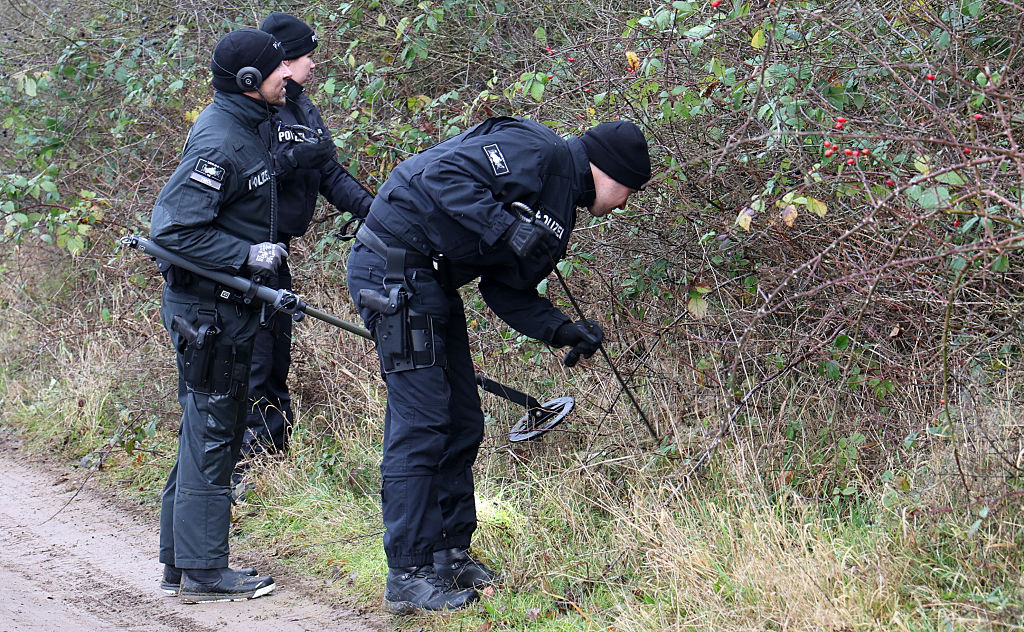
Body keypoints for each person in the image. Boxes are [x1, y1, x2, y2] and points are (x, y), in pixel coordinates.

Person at [345, 117, 651, 614]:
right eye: (629, 190)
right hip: (391, 266)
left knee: (462, 419)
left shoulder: (560, 211)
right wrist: (506, 227)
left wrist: (562, 329)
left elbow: (505, 290)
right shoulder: (536, 149)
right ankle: (409, 573)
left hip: (431, 284)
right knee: (422, 420)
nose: (624, 204)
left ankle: (448, 555)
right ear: (608, 170)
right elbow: (441, 176)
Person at [149, 28, 293, 603]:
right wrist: (246, 254)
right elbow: (172, 230)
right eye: (280, 68)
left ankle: (179, 563)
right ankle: (206, 572)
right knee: (214, 434)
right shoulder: (221, 141)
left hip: (223, 310)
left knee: (203, 430)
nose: (290, 75)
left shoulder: (245, 126)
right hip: (210, 314)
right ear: (250, 80)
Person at [232, 13, 374, 465]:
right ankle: (247, 466)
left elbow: (329, 172)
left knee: (276, 355)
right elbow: (243, 179)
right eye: (307, 56)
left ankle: (273, 461)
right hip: (244, 250)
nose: (313, 65)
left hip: (278, 252)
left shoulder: (302, 106)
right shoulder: (250, 109)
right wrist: (292, 160)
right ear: (284, 61)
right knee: (254, 359)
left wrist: (378, 213)